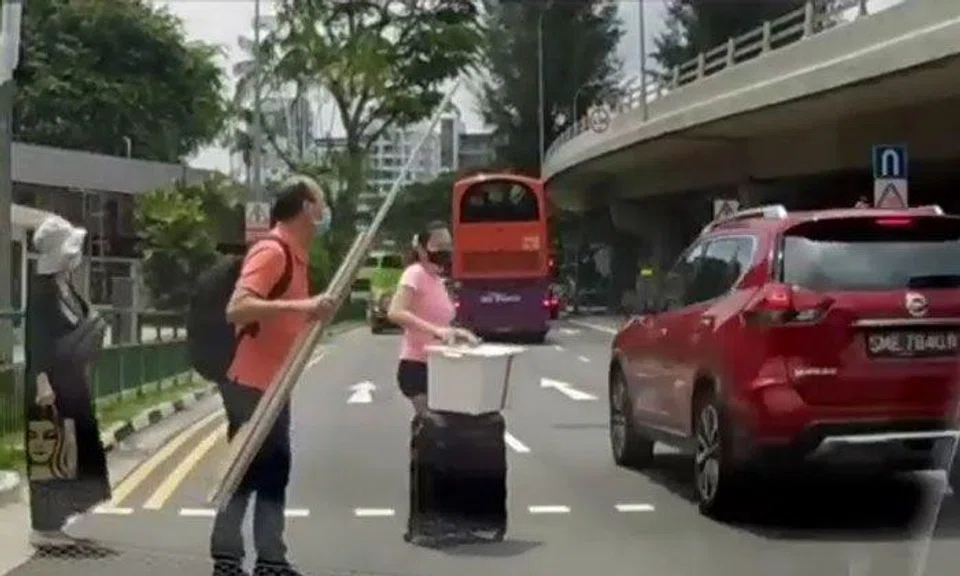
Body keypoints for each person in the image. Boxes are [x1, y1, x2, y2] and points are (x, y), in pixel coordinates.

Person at [211, 175, 336, 576]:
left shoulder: (296, 255)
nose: (325, 210)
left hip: (274, 384)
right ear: (306, 208)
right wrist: (304, 305)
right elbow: (239, 307)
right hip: (251, 384)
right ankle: (230, 560)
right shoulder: (273, 251)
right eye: (321, 202)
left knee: (272, 473)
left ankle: (269, 559)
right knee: (246, 473)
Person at [24, 215, 110, 548]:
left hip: (71, 383)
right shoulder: (43, 292)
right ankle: (44, 527)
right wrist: (43, 383)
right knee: (50, 449)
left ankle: (58, 521)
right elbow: (39, 342)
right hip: (50, 385)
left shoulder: (65, 287)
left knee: (69, 450)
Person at [387, 221, 477, 415]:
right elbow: (395, 311)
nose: (444, 250)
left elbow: (441, 323)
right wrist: (436, 331)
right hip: (417, 366)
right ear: (421, 248)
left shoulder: (439, 280)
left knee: (443, 429)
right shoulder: (414, 274)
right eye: (438, 245)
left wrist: (457, 333)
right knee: (434, 426)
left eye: (448, 245)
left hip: (440, 366)